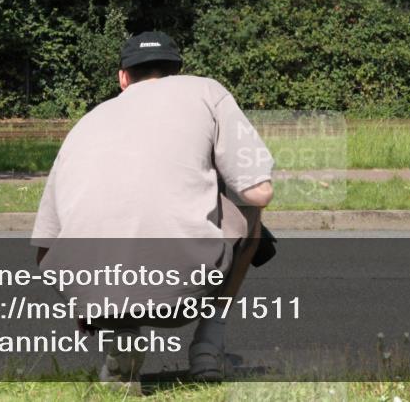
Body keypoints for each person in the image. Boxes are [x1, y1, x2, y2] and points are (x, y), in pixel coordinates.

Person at [31, 31, 274, 392]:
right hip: (180, 295)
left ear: (123, 78)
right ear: (176, 72)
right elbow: (259, 192)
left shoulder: (88, 120)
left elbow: (44, 246)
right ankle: (208, 347)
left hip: (95, 297)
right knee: (249, 212)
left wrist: (82, 304)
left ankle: (121, 338)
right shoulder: (206, 91)